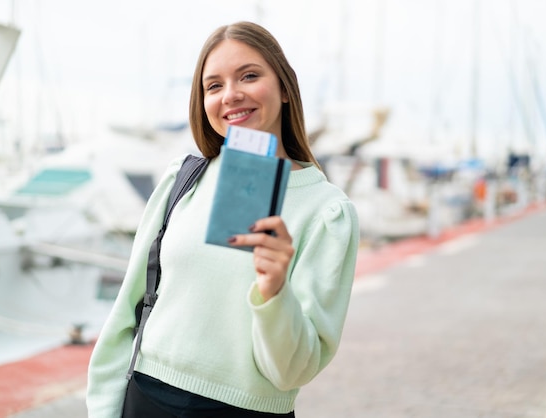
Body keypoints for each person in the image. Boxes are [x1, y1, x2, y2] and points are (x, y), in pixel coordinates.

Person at [86, 21, 360, 417]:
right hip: (146, 398)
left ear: (284, 88)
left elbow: (290, 373)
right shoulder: (182, 178)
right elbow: (127, 310)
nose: (231, 95)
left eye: (249, 76)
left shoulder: (328, 212)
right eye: (213, 86)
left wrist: (274, 292)